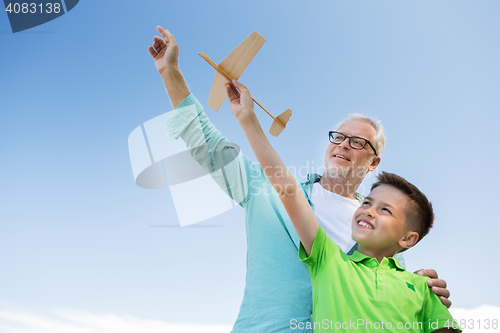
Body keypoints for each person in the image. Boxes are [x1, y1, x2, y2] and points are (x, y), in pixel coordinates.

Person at [147, 26, 451, 332]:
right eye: (339, 137)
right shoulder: (263, 189)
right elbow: (205, 143)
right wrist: (169, 71)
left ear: (374, 162)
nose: (344, 145)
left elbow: (388, 296)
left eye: (358, 142)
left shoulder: (375, 228)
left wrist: (422, 289)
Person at [225, 79, 460, 332]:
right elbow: (288, 190)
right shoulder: (330, 260)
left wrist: (417, 287)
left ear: (407, 239)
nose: (343, 144)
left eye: (358, 142)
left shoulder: (416, 286)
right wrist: (248, 118)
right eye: (369, 202)